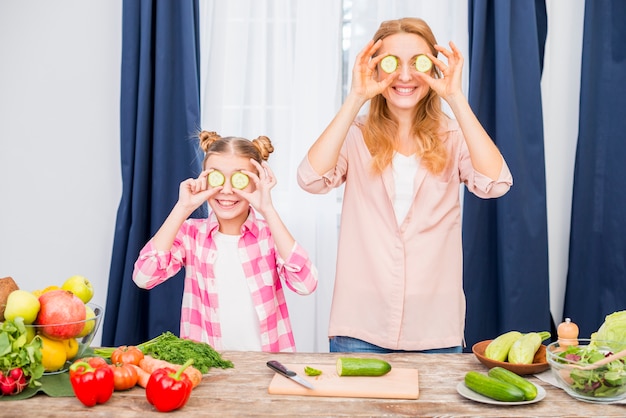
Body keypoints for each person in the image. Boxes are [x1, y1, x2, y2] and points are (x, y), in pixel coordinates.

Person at [297, 18, 512, 353]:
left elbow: (496, 183)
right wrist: (355, 97)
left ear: (436, 70)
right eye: (392, 63)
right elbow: (310, 178)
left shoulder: (453, 137)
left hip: (435, 328)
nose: (406, 75)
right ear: (375, 68)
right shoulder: (355, 134)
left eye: (419, 63)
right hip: (359, 326)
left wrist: (456, 98)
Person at [134, 131, 318, 352]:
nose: (228, 190)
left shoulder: (270, 235)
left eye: (240, 179)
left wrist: (268, 209)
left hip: (266, 367)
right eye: (217, 178)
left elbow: (306, 284)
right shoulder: (191, 234)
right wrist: (183, 207)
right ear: (204, 180)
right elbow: (144, 277)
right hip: (209, 369)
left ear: (256, 183)